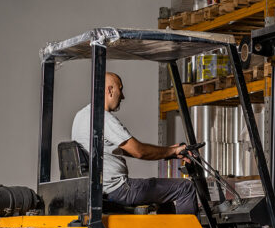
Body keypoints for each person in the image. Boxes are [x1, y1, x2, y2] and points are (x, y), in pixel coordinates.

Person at [71, 72, 197, 215]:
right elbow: (139, 151)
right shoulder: (102, 118)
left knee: (164, 192)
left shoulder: (81, 116)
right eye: (120, 89)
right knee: (185, 188)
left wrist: (170, 151)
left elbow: (111, 149)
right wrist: (172, 151)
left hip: (100, 190)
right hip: (119, 190)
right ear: (110, 90)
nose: (123, 96)